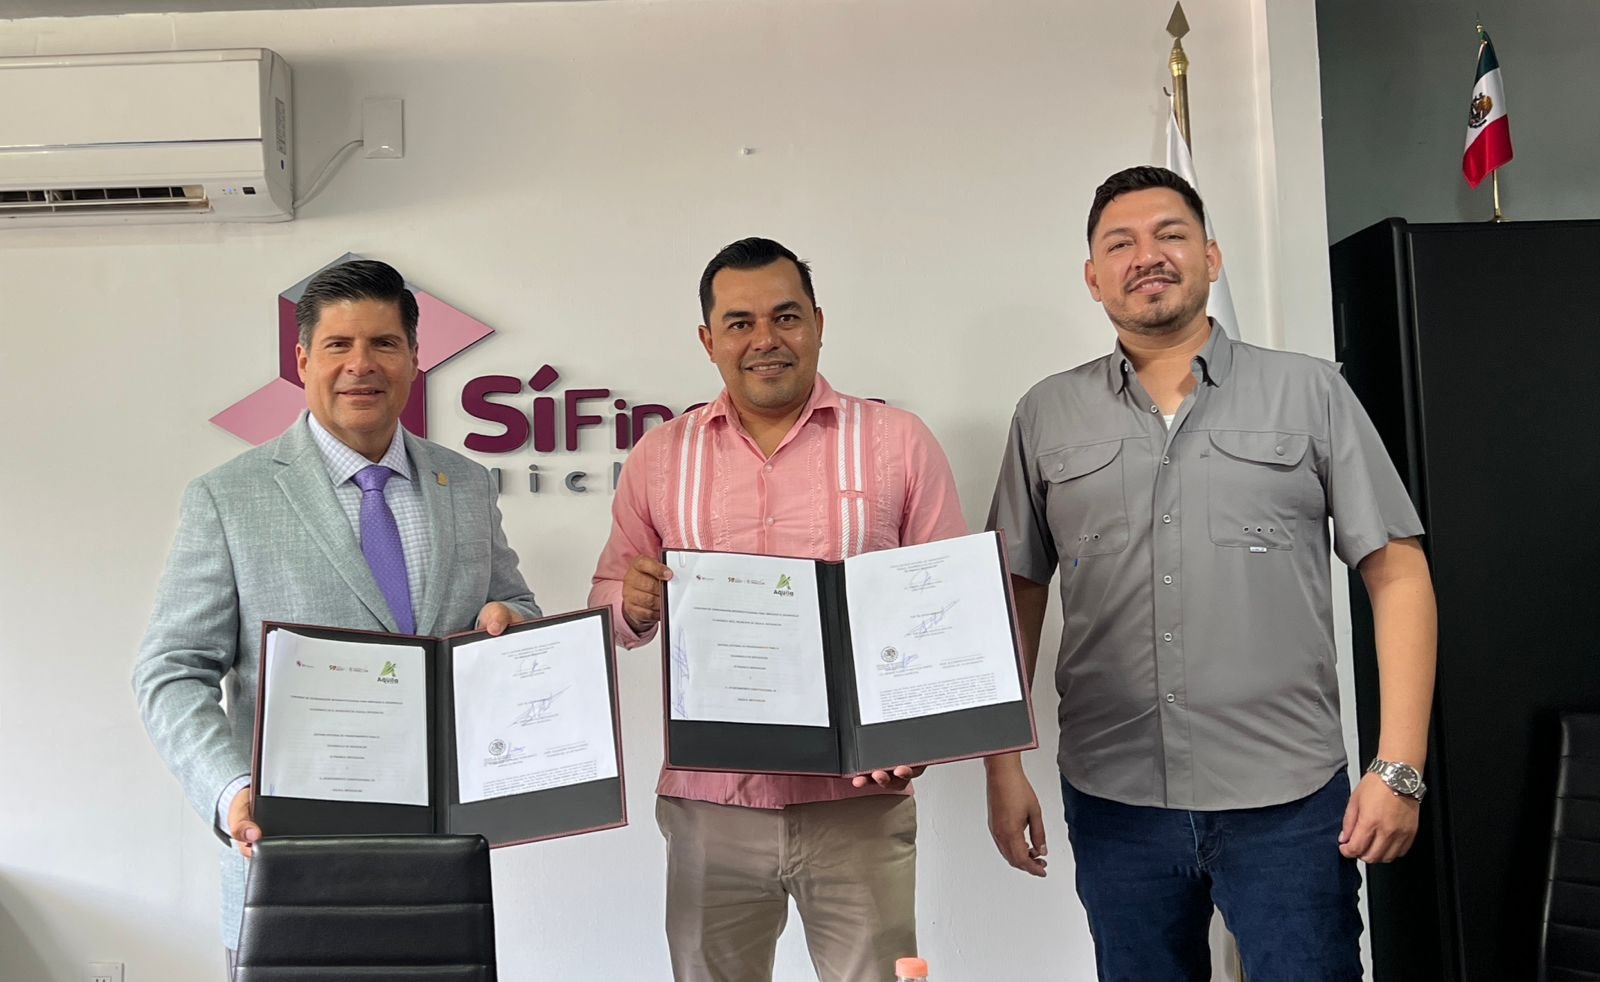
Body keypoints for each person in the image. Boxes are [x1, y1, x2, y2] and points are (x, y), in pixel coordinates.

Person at [984, 166, 1438, 981]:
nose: (1146, 256)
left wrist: (1398, 765)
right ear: (1093, 277)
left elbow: (1397, 571)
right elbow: (1015, 592)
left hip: (1289, 799)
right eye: (1120, 244)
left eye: (1171, 235)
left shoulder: (1309, 391)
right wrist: (1000, 763)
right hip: (1116, 801)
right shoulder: (1046, 413)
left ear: (1212, 257)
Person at [132, 259, 540, 974]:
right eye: (338, 345)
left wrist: (511, 620)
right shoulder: (229, 497)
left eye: (384, 343)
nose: (362, 365)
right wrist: (231, 791)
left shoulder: (467, 484)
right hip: (287, 866)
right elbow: (171, 671)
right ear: (301, 361)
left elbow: (517, 606)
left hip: (439, 865)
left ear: (415, 358)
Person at [588, 237, 967, 982]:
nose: (765, 339)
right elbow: (607, 603)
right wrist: (630, 604)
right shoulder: (660, 456)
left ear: (818, 323)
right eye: (740, 322)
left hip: (857, 799)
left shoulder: (897, 443)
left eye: (786, 316)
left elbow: (948, 608)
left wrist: (918, 731)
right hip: (711, 805)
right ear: (709, 341)